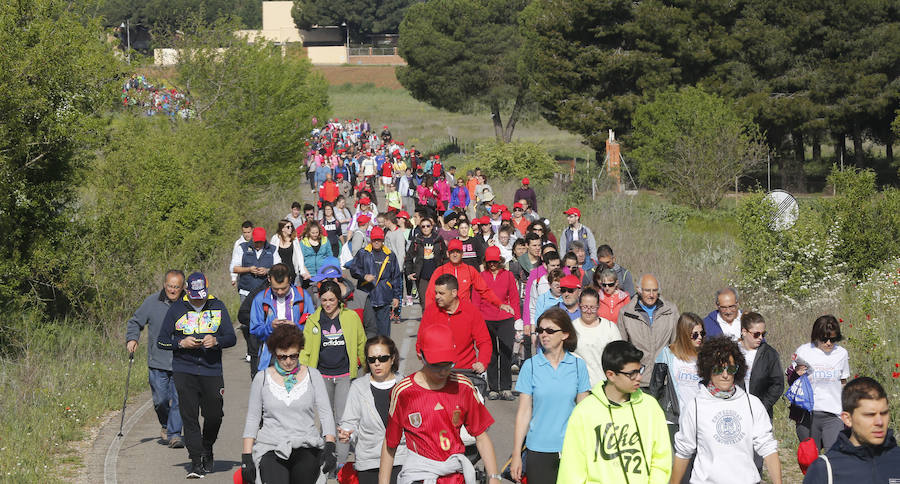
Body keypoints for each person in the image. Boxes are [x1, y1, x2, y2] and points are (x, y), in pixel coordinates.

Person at [379, 323, 501, 484]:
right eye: (436, 365)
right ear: (421, 355)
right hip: (420, 476)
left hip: (455, 476)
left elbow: (481, 436)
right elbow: (390, 443)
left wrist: (494, 477)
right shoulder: (403, 392)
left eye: (448, 365)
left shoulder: (463, 387)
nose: (443, 371)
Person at [157, 272, 237, 478]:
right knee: (189, 417)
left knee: (214, 415)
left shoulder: (217, 306)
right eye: (194, 295)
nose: (198, 298)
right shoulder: (176, 309)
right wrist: (180, 343)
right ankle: (195, 461)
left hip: (212, 370)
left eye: (202, 294)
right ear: (187, 291)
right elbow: (162, 341)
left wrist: (216, 341)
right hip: (185, 370)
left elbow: (231, 337)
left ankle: (207, 446)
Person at [557, 340, 672, 483]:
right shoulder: (584, 412)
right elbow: (572, 470)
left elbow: (661, 460)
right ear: (611, 375)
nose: (639, 377)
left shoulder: (650, 407)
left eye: (640, 370)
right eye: (632, 373)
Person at [671, 337, 782, 484]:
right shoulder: (695, 406)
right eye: (718, 369)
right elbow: (684, 451)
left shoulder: (752, 404)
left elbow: (768, 448)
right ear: (707, 370)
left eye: (730, 369)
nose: (725, 375)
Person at [240, 324, 337, 484]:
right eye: (282, 357)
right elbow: (252, 419)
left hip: (306, 444)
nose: (289, 361)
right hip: (271, 446)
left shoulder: (313, 375)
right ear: (274, 354)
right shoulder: (262, 378)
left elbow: (326, 414)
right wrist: (246, 456)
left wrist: (330, 446)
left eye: (294, 356)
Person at [510, 308, 590, 484]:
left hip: (572, 450)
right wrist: (516, 454)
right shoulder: (530, 366)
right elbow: (523, 413)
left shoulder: (578, 366)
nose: (543, 335)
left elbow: (583, 414)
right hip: (538, 449)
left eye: (550, 330)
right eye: (540, 330)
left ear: (565, 334)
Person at [300, 281, 367, 470]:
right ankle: (327, 457)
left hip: (345, 375)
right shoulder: (313, 320)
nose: (328, 304)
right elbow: (305, 351)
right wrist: (303, 372)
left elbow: (362, 342)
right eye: (324, 300)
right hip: (322, 376)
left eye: (332, 300)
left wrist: (365, 367)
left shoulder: (351, 317)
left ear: (339, 300)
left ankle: (342, 463)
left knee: (343, 420)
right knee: (325, 419)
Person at [125, 270, 186, 448]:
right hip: (157, 360)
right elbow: (135, 322)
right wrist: (132, 338)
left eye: (176, 287)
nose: (172, 290)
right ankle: (166, 424)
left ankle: (175, 434)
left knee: (179, 399)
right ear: (164, 285)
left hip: (181, 361)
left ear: (183, 288)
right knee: (160, 400)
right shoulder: (152, 302)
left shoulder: (189, 303)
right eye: (169, 286)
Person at [338, 336, 408, 484]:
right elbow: (350, 422)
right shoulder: (358, 387)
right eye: (372, 359)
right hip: (369, 461)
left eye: (382, 358)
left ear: (392, 358)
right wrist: (347, 434)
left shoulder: (405, 385)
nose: (377, 363)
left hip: (401, 459)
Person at [803, 377, 900, 484]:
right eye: (869, 415)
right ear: (847, 419)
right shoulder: (826, 469)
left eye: (884, 413)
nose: (879, 422)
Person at [648, 311, 704, 471]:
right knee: (675, 466)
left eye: (702, 333)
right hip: (674, 418)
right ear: (684, 334)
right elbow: (655, 387)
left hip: (699, 418)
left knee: (698, 466)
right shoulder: (667, 354)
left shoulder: (705, 356)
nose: (700, 337)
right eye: (695, 335)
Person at [787, 314, 851, 452]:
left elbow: (843, 382)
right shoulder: (804, 351)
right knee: (811, 461)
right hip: (807, 415)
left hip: (833, 414)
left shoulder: (841, 354)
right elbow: (791, 382)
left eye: (833, 339)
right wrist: (796, 374)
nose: (828, 343)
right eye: (824, 339)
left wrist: (848, 407)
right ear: (816, 336)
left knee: (834, 458)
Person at [417, 274, 492, 386]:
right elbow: (421, 341)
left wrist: (482, 362)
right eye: (436, 292)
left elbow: (484, 341)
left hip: (465, 372)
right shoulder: (430, 311)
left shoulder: (471, 311)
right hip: (437, 373)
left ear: (454, 293)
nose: (437, 296)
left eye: (441, 293)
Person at [472, 246, 521, 401]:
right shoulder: (481, 276)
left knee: (506, 354)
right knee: (491, 354)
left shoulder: (508, 276)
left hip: (506, 319)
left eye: (495, 261)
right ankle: (493, 388)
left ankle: (506, 387)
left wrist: (517, 320)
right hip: (486, 319)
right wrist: (476, 321)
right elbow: (476, 300)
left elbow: (514, 298)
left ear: (500, 260)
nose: (492, 264)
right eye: (489, 262)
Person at [249, 263, 315, 374]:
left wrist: (296, 328)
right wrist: (270, 327)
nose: (280, 292)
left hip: (298, 354)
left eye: (283, 288)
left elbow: (313, 326)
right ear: (269, 279)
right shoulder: (260, 299)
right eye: (275, 289)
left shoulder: (303, 296)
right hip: (271, 357)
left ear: (289, 279)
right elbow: (255, 329)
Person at [618, 274, 679, 388]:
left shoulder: (671, 311)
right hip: (637, 380)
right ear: (639, 290)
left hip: (664, 379)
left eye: (654, 291)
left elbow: (676, 343)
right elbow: (622, 349)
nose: (651, 295)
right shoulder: (626, 313)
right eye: (647, 291)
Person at [424, 239, 515, 316]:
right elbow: (430, 294)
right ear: (448, 254)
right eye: (452, 252)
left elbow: (484, 290)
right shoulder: (440, 270)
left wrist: (500, 304)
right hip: (444, 313)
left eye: (458, 252)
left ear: (462, 253)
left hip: (464, 313)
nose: (455, 255)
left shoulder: (469, 270)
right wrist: (430, 314)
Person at [346, 226, 402, 337]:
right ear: (370, 240)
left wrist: (396, 296)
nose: (376, 242)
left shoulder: (390, 255)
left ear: (383, 240)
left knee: (384, 331)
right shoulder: (363, 253)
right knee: (368, 330)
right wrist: (363, 276)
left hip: (383, 296)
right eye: (374, 239)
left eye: (379, 240)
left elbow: (396, 277)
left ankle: (385, 352)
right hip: (366, 296)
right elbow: (353, 269)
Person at [737, 312, 783, 420]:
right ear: (744, 331)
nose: (760, 338)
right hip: (736, 413)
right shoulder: (731, 352)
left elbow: (777, 384)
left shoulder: (770, 354)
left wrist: (761, 406)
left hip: (761, 415)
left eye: (763, 334)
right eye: (756, 334)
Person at [571, 288, 621, 386]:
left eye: (592, 307)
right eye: (585, 307)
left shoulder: (610, 327)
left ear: (598, 307)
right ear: (579, 306)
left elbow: (618, 357)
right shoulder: (572, 328)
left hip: (605, 385)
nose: (589, 311)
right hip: (579, 386)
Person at [404, 216, 447, 307]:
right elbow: (408, 258)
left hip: (437, 275)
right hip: (422, 276)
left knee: (438, 302)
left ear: (432, 227)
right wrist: (409, 272)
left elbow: (445, 256)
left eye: (428, 226)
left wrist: (445, 271)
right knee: (424, 302)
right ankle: (426, 320)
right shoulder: (417, 240)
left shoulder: (438, 239)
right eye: (423, 226)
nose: (426, 228)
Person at [232, 226, 281, 302]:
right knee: (246, 314)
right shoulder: (242, 248)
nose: (258, 244)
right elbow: (234, 268)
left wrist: (268, 271)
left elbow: (279, 269)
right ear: (252, 238)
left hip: (266, 292)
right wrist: (249, 269)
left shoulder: (272, 250)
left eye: (261, 242)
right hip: (246, 292)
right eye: (256, 242)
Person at [271, 219, 310, 285]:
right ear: (282, 229)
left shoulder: (294, 239)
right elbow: (271, 254)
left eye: (291, 226)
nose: (291, 228)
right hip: (279, 273)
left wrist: (302, 271)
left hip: (292, 271)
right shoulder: (275, 239)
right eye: (288, 227)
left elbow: (299, 256)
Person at [300, 222, 335, 288]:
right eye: (313, 233)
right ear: (308, 232)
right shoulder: (303, 242)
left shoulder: (325, 240)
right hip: (309, 274)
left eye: (317, 232)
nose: (315, 235)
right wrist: (305, 272)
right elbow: (300, 260)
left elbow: (330, 256)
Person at [230, 220, 255, 288]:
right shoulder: (238, 243)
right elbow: (234, 261)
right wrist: (233, 278)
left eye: (248, 232)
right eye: (244, 232)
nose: (247, 234)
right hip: (243, 276)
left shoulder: (257, 241)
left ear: (253, 230)